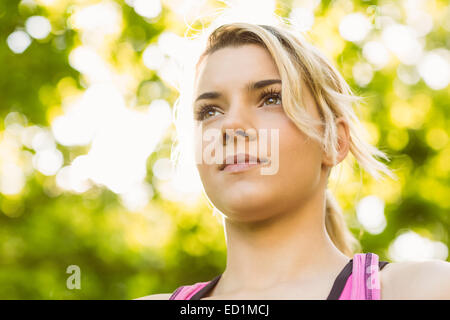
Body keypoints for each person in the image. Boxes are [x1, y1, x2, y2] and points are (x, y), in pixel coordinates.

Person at [137, 21, 450, 300]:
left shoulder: (423, 290)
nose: (230, 126)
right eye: (210, 111)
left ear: (334, 141)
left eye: (271, 99)